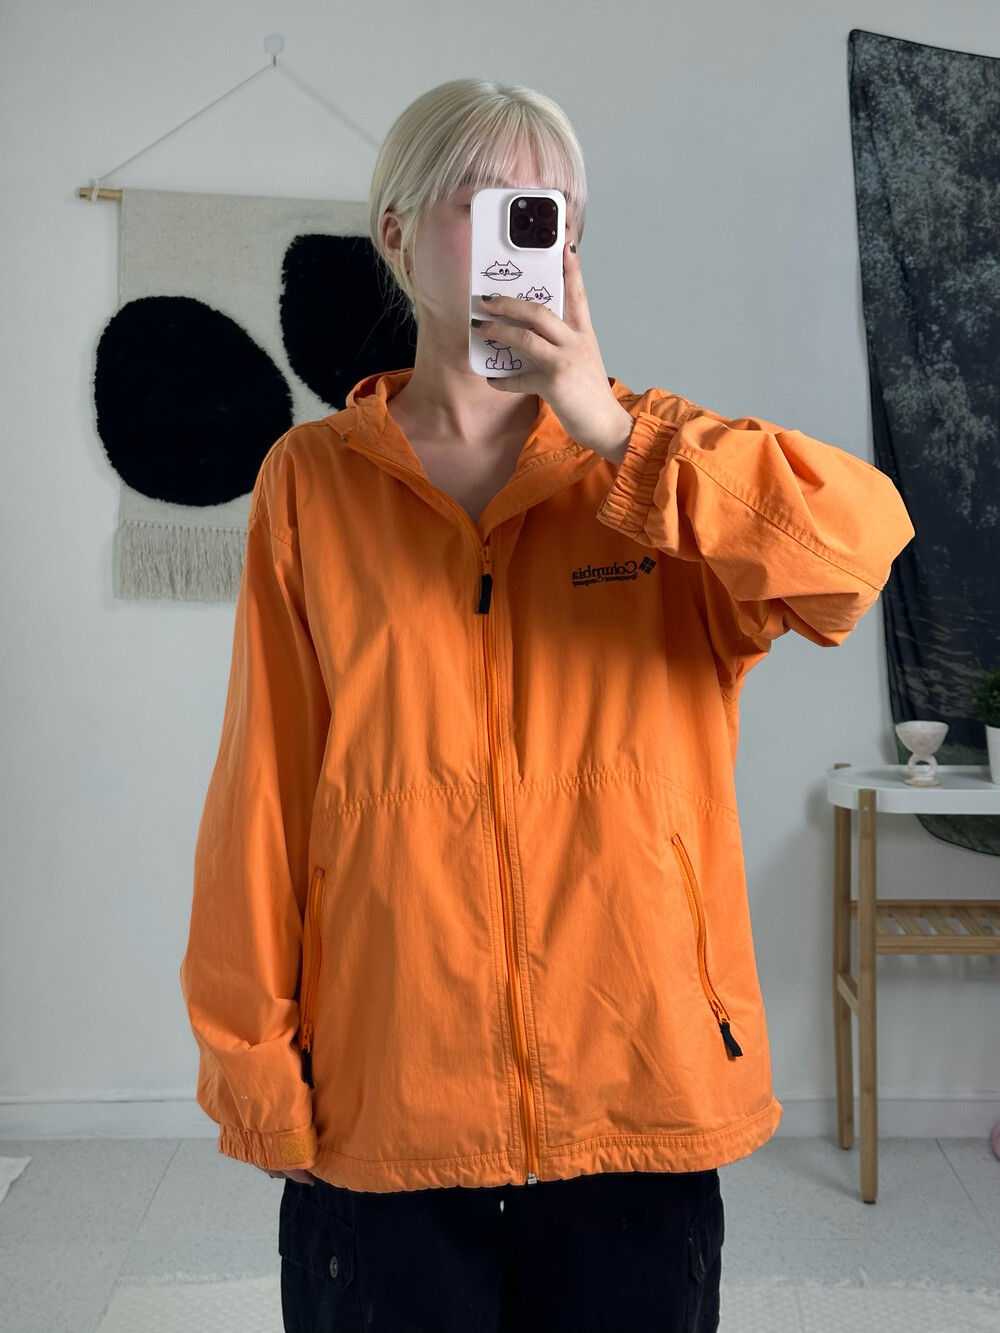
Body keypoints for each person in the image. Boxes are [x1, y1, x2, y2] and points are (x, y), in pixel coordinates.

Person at [179, 78, 916, 1332]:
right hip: (389, 1099)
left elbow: (855, 553)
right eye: (483, 200)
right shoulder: (310, 483)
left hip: (639, 1092)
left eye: (551, 211)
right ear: (397, 233)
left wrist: (612, 434)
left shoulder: (658, 462)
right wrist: (255, 1065)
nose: (522, 235)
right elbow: (264, 790)